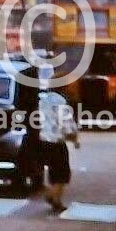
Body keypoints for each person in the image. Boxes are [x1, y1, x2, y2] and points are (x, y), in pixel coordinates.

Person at [36, 70, 80, 213]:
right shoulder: (61, 102)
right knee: (62, 172)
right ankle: (54, 198)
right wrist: (73, 137)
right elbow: (66, 122)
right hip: (57, 141)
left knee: (53, 171)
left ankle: (53, 196)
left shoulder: (43, 100)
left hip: (43, 139)